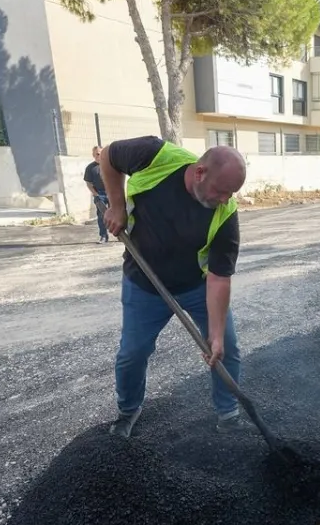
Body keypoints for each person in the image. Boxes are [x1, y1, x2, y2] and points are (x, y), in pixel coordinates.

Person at [97, 136, 248, 438]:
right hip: (145, 282)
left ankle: (228, 413)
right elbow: (108, 156)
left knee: (226, 347)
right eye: (221, 191)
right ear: (199, 172)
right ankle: (128, 411)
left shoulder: (226, 213)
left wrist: (215, 336)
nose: (224, 199)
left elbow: (219, 277)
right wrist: (117, 205)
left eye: (231, 193)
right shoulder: (156, 155)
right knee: (133, 353)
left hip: (196, 286)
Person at [84, 146, 110, 243]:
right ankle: (103, 236)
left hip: (112, 193)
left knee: (119, 213)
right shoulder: (90, 168)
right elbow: (88, 183)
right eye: (97, 154)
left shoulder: (110, 164)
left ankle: (122, 236)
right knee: (101, 216)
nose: (99, 155)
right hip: (100, 194)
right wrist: (96, 194)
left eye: (100, 153)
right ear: (93, 155)